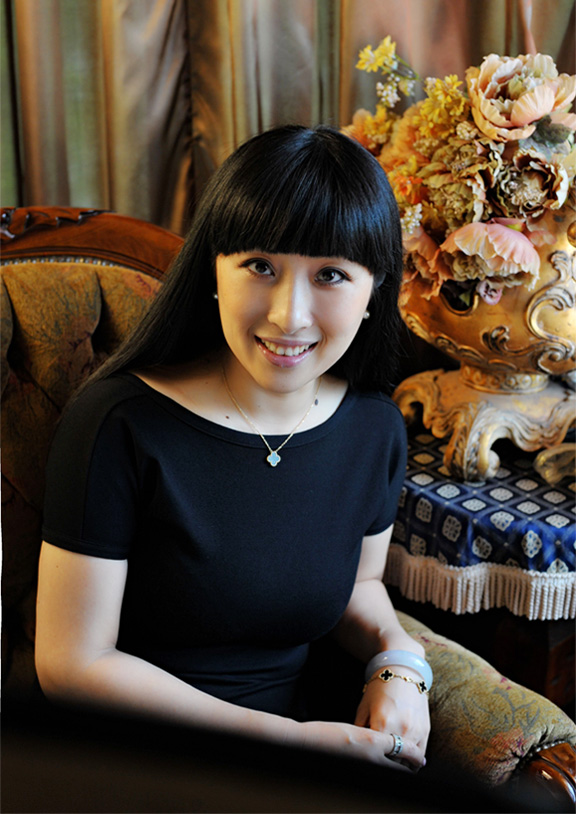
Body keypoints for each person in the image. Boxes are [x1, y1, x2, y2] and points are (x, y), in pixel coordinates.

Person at [35, 124, 431, 771]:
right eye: (260, 266)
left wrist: (399, 660)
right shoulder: (118, 424)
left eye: (330, 274)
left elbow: (358, 585)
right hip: (131, 757)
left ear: (374, 292)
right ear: (215, 271)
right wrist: (286, 742)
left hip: (305, 750)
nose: (288, 315)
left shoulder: (374, 429)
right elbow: (71, 664)